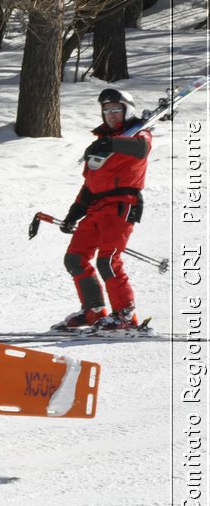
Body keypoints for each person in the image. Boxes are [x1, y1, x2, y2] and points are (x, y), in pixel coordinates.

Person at [57, 87, 153, 331]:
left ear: (127, 109)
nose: (111, 115)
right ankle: (94, 310)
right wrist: (74, 213)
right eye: (106, 110)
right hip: (96, 207)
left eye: (116, 109)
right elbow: (90, 186)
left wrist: (110, 142)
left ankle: (124, 316)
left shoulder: (139, 135)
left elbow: (141, 149)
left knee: (108, 260)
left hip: (121, 204)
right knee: (75, 259)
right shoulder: (99, 145)